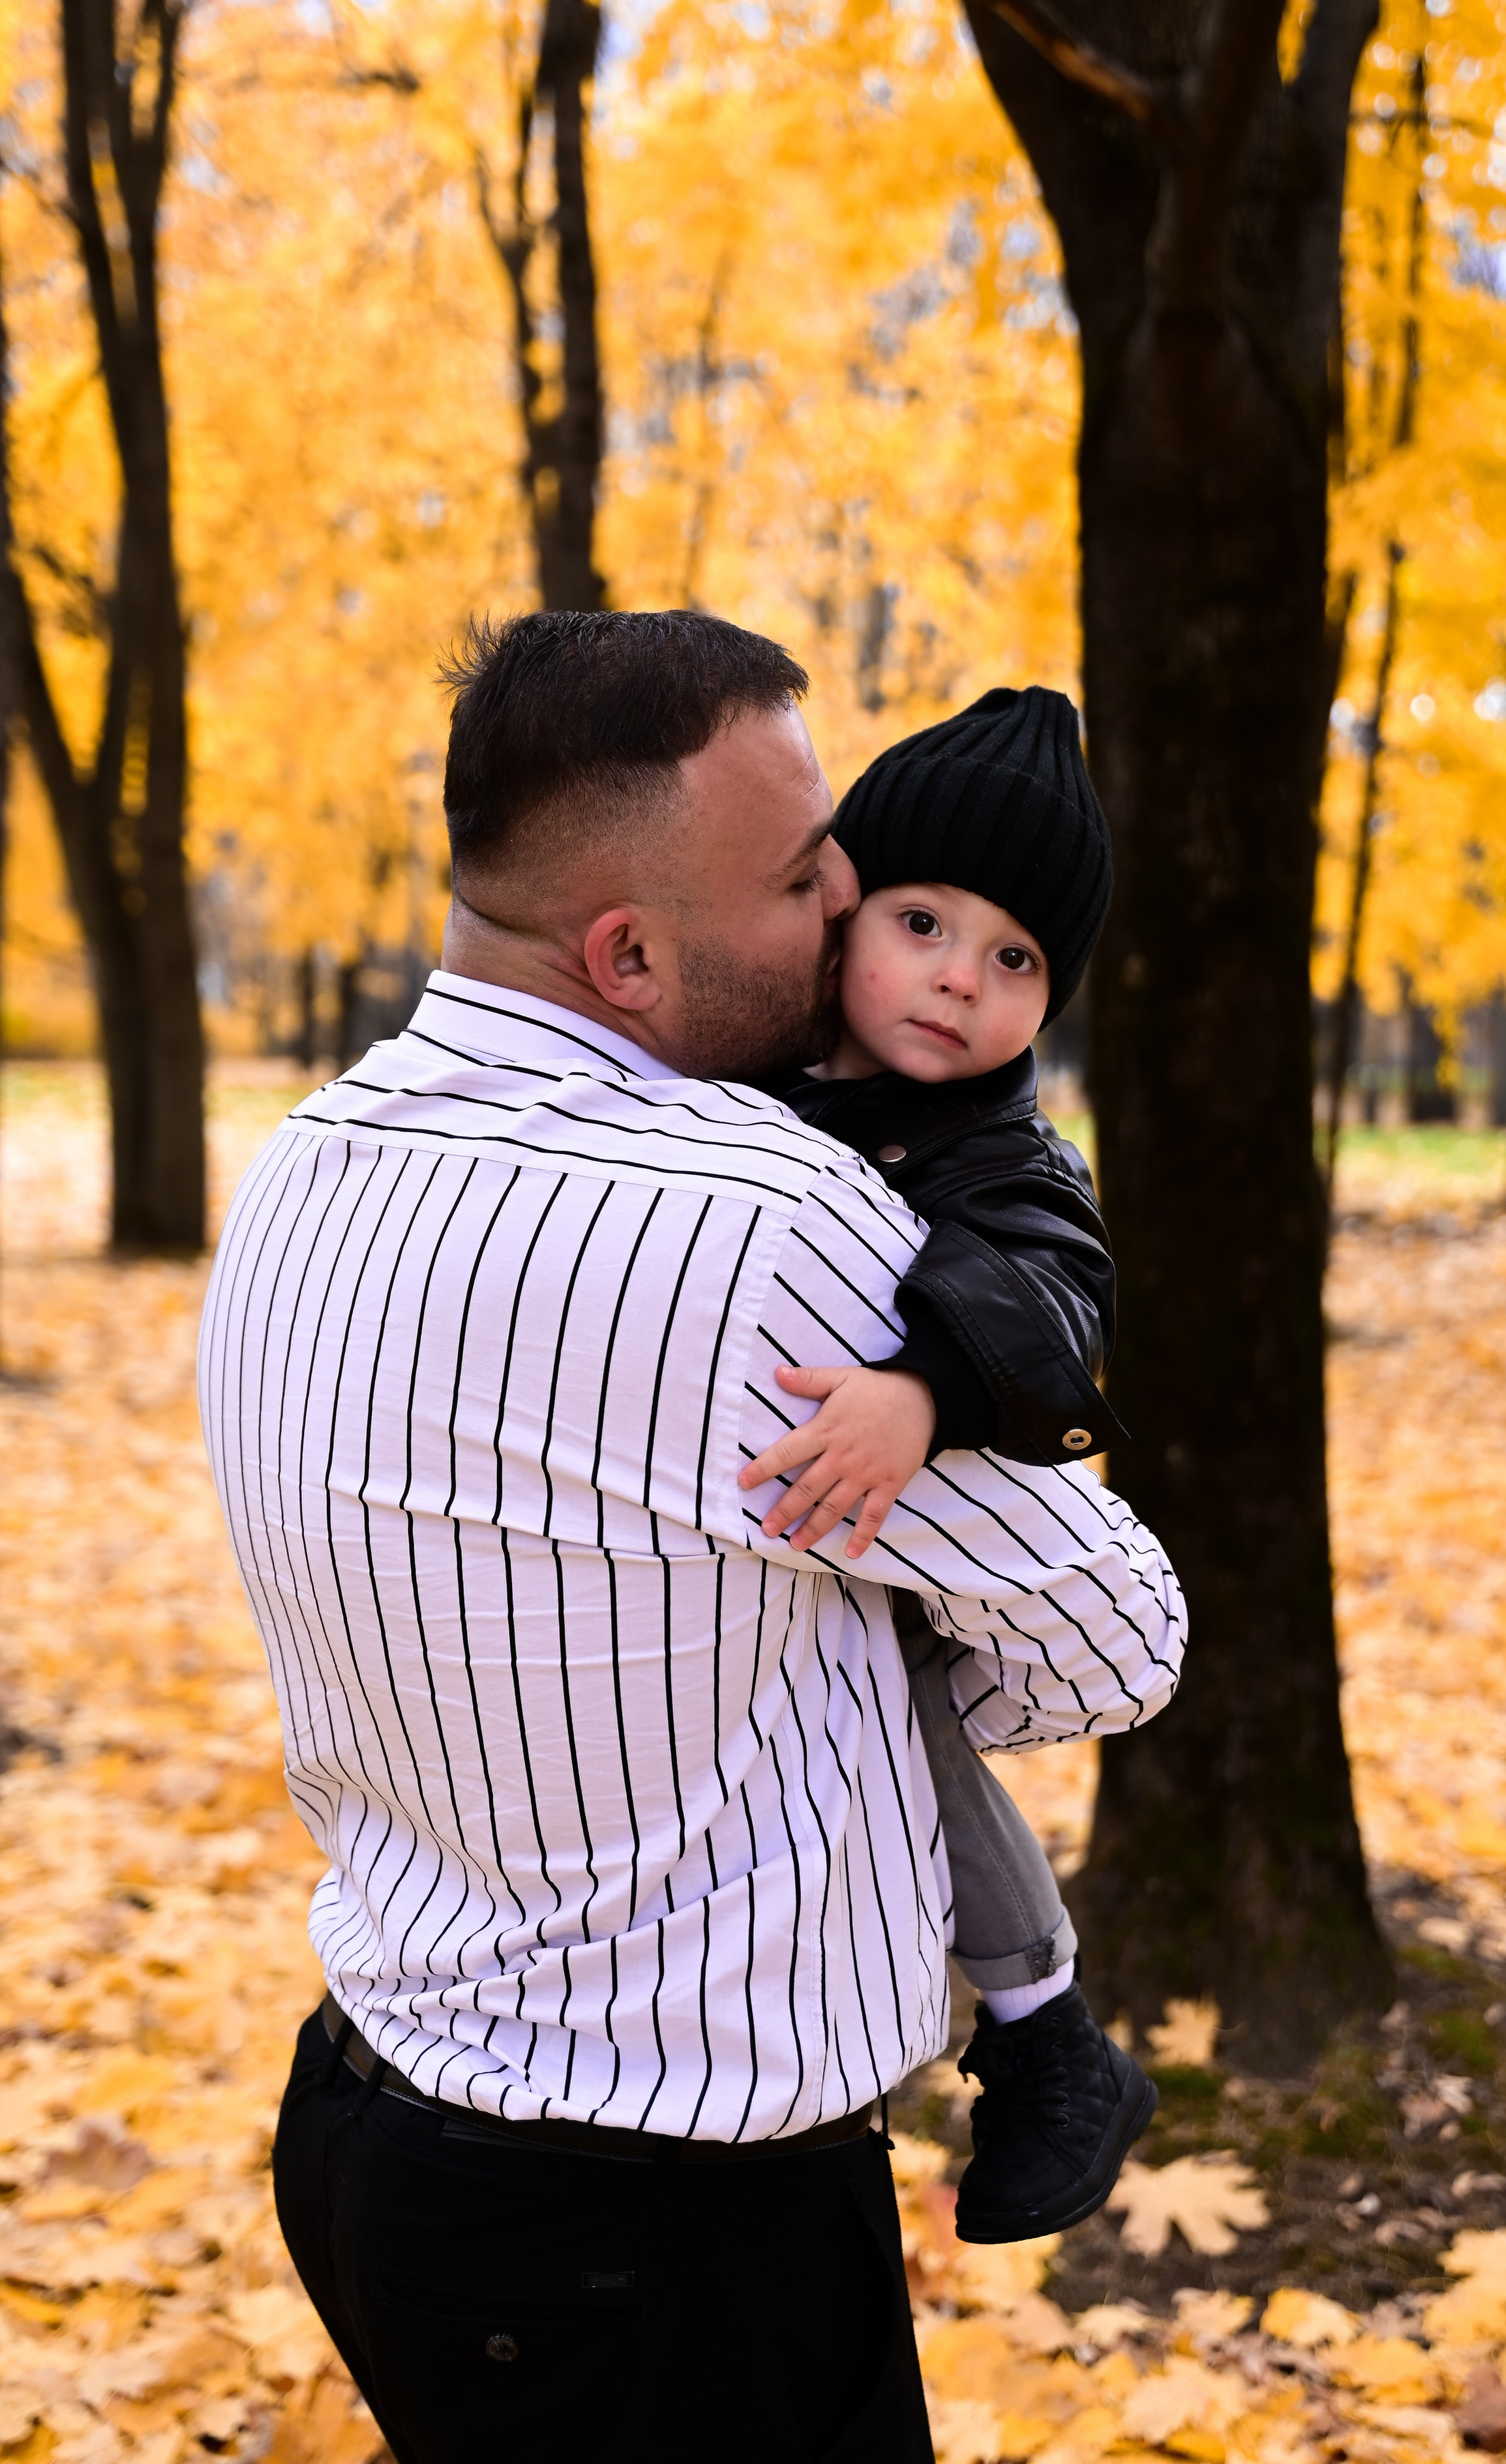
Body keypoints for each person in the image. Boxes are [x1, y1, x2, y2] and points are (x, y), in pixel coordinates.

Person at [198, 609, 1186, 2464]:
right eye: (806, 876)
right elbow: (1119, 1641)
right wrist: (887, 1639)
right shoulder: (768, 1221)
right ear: (630, 954)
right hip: (660, 2248)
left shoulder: (299, 1168)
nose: (849, 901)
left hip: (370, 2140)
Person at [747, 684, 1156, 2247]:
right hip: (747, 1542)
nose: (956, 979)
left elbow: (1056, 1299)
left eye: (1013, 959)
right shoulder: (741, 1070)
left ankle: (1047, 2038)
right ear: (841, 906)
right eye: (921, 923)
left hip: (899, 1550)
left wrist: (924, 1384)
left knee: (908, 1732)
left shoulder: (1006, 1155)